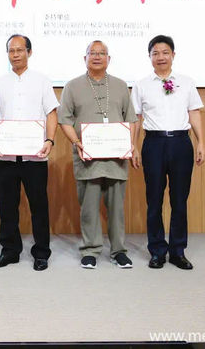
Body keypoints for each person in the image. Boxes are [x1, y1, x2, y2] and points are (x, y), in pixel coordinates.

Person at [58, 40, 138, 269]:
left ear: (108, 59)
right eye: (92, 53)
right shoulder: (72, 86)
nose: (96, 57)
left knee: (116, 208)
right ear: (84, 58)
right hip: (87, 157)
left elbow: (131, 119)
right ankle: (90, 250)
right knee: (89, 207)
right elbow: (64, 120)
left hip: (116, 158)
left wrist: (131, 145)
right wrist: (76, 142)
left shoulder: (121, 86)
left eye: (101, 53)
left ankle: (119, 251)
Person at [0, 34, 58, 271]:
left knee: (39, 205)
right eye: (11, 50)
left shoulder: (42, 81)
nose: (15, 54)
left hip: (35, 155)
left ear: (29, 52)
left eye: (19, 50)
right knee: (7, 206)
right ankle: (10, 251)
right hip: (6, 155)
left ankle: (41, 253)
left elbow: (51, 113)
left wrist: (50, 140)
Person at [131, 35, 205, 270]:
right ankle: (157, 251)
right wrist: (134, 146)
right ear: (149, 57)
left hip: (181, 143)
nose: (160, 57)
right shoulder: (141, 84)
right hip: (153, 143)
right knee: (154, 200)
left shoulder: (187, 82)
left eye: (165, 52)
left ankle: (177, 251)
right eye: (155, 53)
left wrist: (201, 142)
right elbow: (136, 118)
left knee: (179, 200)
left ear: (173, 55)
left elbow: (194, 113)